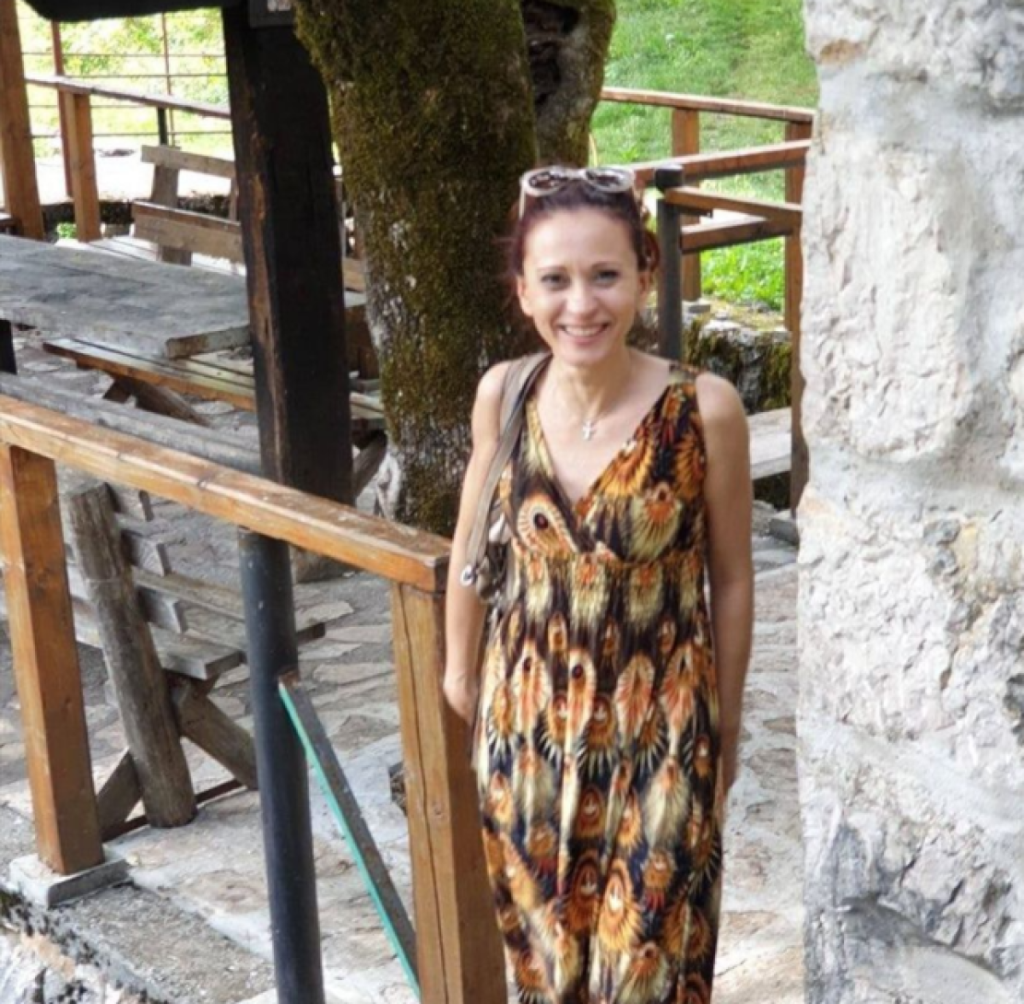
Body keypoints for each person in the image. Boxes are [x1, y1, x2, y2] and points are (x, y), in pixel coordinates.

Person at [443, 165, 753, 1004]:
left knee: (651, 969)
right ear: (522, 290)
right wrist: (461, 673)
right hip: (527, 738)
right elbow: (470, 540)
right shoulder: (504, 394)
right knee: (546, 976)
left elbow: (731, 578)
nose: (581, 304)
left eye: (605, 274)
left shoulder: (704, 411)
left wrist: (723, 731)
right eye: (555, 279)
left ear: (645, 276)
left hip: (663, 739)